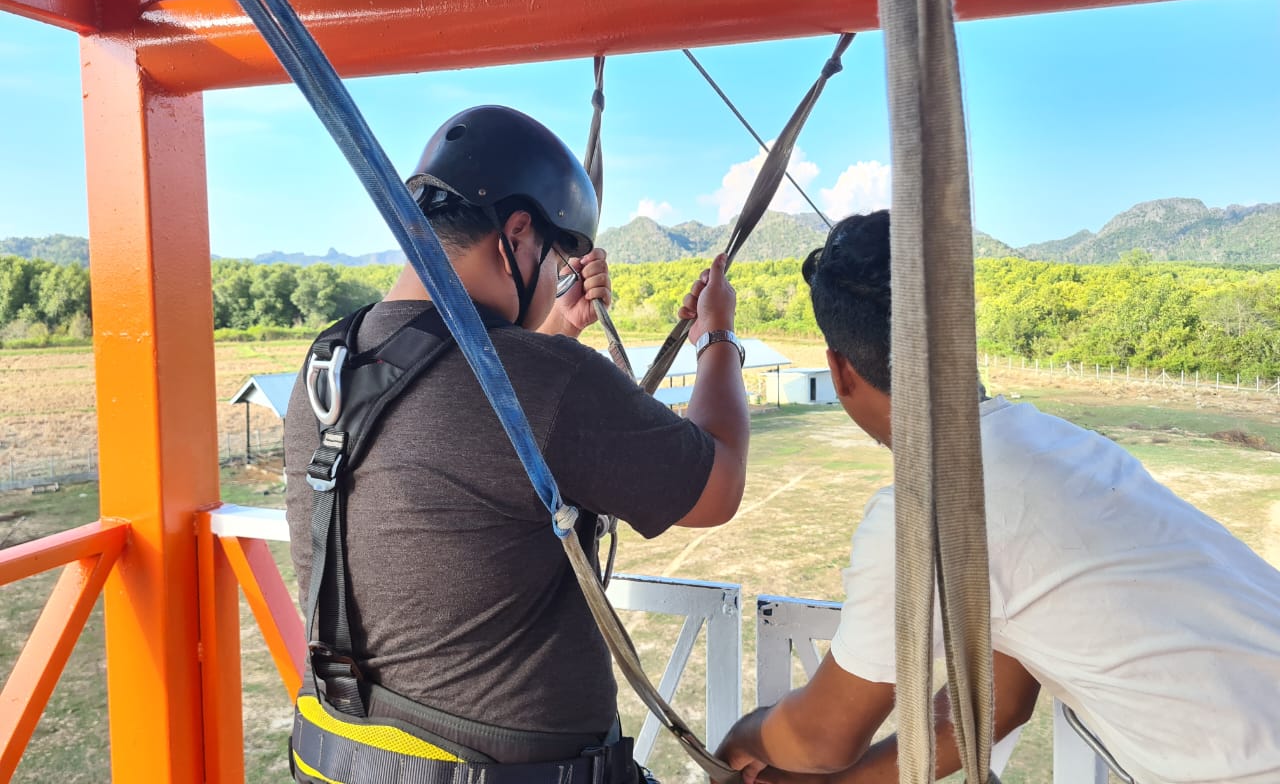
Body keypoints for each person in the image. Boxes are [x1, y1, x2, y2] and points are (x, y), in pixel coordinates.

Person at [717, 209, 1280, 784]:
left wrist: (741, 738)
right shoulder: (1060, 445)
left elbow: (822, 737)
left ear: (839, 371)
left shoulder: (929, 509)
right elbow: (997, 704)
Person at [283, 105, 750, 784]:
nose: (561, 275)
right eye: (558, 256)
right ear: (516, 235)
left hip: (348, 761)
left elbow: (460, 426)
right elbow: (719, 483)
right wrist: (717, 340)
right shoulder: (544, 380)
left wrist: (556, 326)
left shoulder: (328, 363)